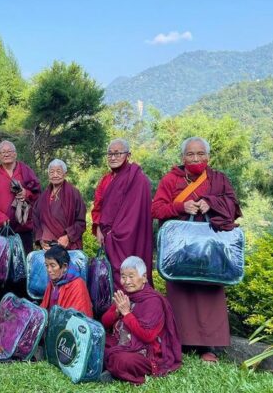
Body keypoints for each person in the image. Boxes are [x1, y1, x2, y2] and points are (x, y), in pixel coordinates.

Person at [152, 137, 241, 362]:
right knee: (180, 292)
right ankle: (179, 342)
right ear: (182, 158)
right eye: (190, 154)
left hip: (211, 249)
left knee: (208, 292)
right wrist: (180, 206)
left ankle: (208, 347)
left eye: (200, 154)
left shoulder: (217, 179)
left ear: (208, 157)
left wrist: (211, 203)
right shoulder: (171, 179)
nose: (195, 158)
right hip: (180, 250)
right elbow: (156, 209)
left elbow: (233, 205)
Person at [101, 256, 182, 384]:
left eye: (131, 276)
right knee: (97, 343)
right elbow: (104, 322)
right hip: (121, 343)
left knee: (122, 361)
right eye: (123, 276)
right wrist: (117, 312)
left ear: (144, 277)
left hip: (144, 352)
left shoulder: (153, 301)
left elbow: (147, 336)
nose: (126, 281)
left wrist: (126, 313)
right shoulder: (125, 295)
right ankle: (110, 368)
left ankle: (111, 368)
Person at [91, 138, 153, 289]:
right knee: (112, 276)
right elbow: (98, 206)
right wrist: (98, 226)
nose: (113, 157)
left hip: (132, 237)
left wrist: (116, 233)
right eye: (110, 154)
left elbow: (137, 212)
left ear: (128, 155)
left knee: (132, 273)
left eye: (118, 153)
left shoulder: (138, 179)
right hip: (108, 238)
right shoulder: (106, 180)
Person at [0, 140, 41, 251]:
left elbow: (38, 195)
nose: (6, 154)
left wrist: (26, 193)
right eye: (3, 152)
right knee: (0, 265)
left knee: (22, 264)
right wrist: (0, 218)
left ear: (15, 154)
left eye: (9, 151)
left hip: (23, 228)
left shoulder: (26, 171)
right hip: (0, 229)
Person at [33, 159, 87, 250]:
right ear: (48, 175)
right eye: (52, 172)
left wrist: (68, 236)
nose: (55, 175)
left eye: (58, 172)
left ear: (65, 174)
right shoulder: (43, 197)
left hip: (68, 245)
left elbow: (81, 222)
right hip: (48, 247)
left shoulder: (73, 193)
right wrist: (40, 239)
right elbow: (36, 220)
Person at [40, 245, 92, 316]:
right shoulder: (53, 281)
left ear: (64, 267)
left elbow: (80, 319)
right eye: (47, 265)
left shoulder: (78, 285)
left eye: (52, 266)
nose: (49, 270)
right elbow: (44, 307)